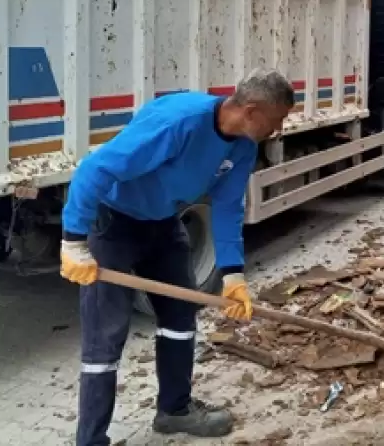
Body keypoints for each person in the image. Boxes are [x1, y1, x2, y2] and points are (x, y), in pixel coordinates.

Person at [60, 68, 295, 445]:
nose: (279, 129)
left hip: (163, 224)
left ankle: (173, 411)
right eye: (277, 120)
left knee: (180, 317)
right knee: (106, 337)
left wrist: (233, 273)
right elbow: (95, 169)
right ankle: (90, 440)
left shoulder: (243, 148)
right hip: (113, 224)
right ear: (252, 111)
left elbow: (228, 206)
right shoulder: (179, 123)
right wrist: (73, 241)